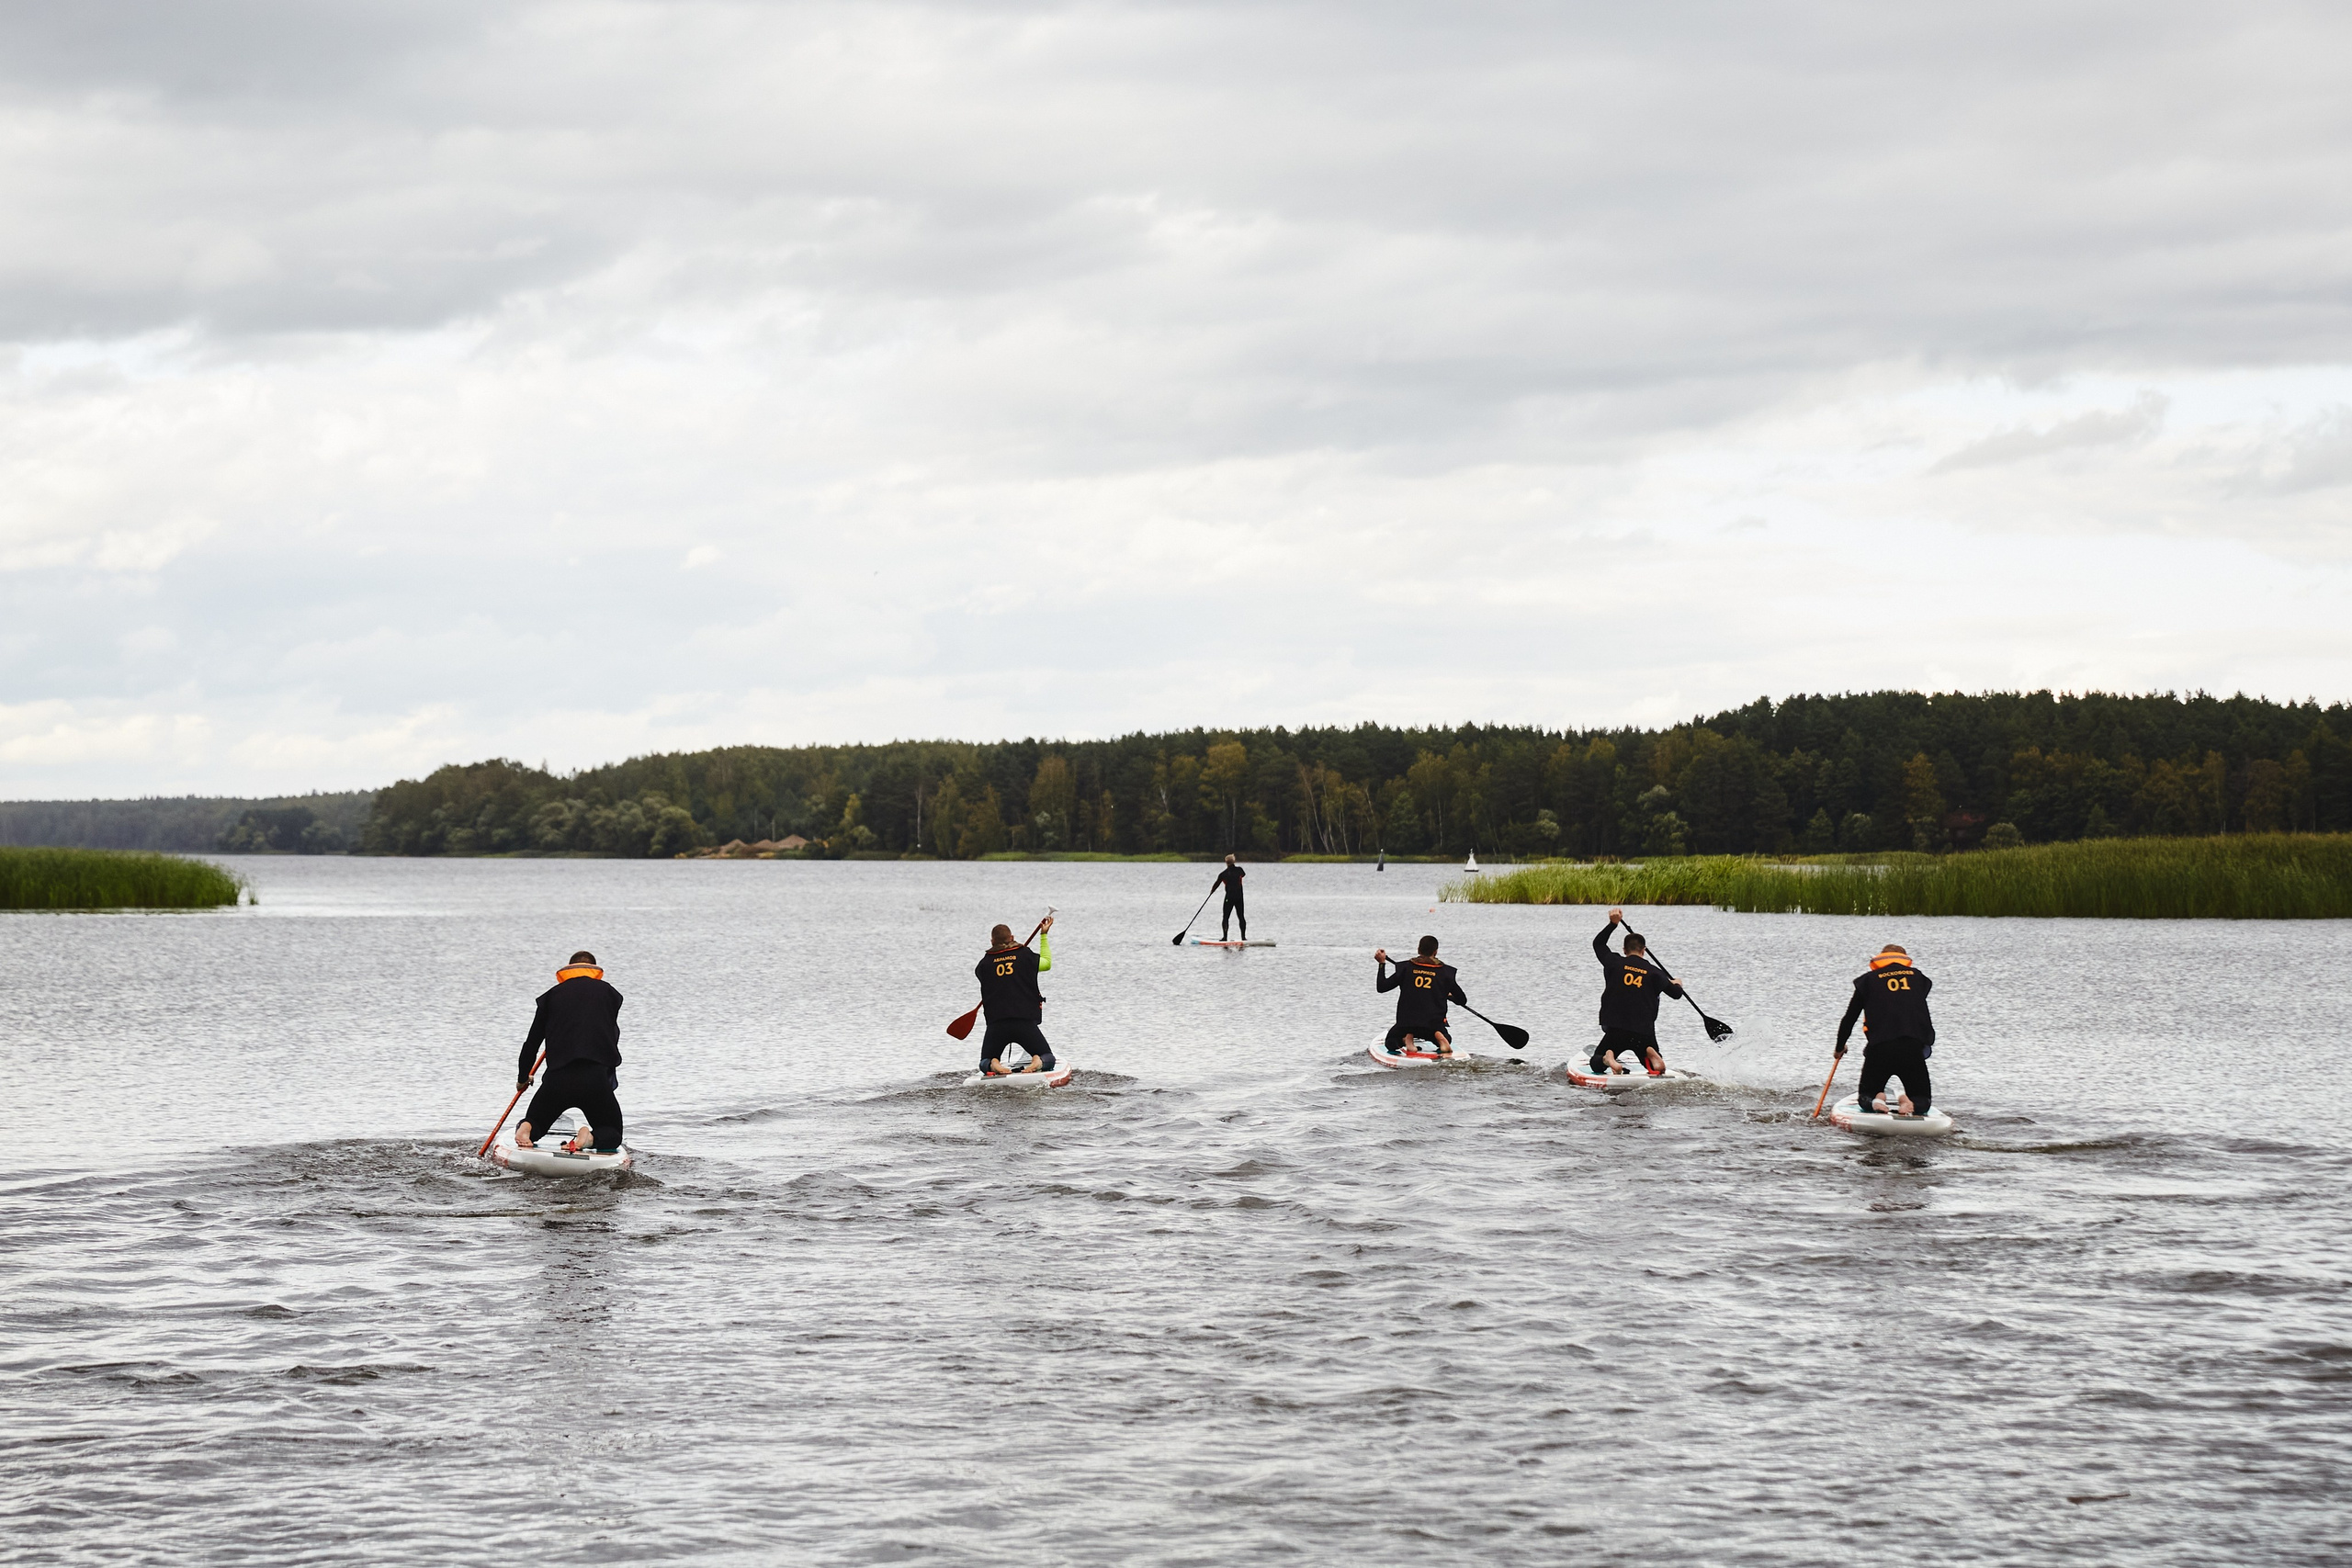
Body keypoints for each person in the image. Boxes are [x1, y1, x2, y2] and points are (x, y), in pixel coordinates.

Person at [514, 950, 626, 1152]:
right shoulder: (610, 994)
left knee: (537, 1121)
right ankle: (589, 1138)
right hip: (595, 1080)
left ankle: (526, 1129)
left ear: (568, 970)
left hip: (558, 1079)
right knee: (611, 1132)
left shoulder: (551, 997)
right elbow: (610, 1035)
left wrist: (523, 1077)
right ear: (595, 970)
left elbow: (531, 1043)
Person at [1836, 943, 1935, 1115]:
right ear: (1904, 960)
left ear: (1881, 958)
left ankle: (1877, 1100)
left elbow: (1849, 1018)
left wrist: (1839, 1047)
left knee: (1866, 1096)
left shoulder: (1867, 980)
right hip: (1912, 1047)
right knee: (1923, 1099)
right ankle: (1909, 1102)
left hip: (1880, 1048)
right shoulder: (1918, 978)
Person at [1590, 908, 1682, 1075]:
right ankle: (1651, 1054)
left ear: (1624, 950)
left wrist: (1613, 924)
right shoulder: (1655, 973)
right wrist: (1676, 984)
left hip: (1615, 1029)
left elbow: (1598, 944)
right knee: (1652, 1066)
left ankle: (1608, 1058)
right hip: (1643, 1031)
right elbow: (1676, 995)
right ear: (1643, 951)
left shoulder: (1613, 962)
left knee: (1596, 1061)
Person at [976, 915, 1057, 1076]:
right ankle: (1038, 1061)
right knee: (1049, 1058)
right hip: (1024, 1023)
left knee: (983, 1061)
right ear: (1012, 937)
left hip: (996, 1025)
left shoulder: (983, 965)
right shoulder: (1025, 956)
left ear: (992, 942)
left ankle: (993, 1064)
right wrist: (1043, 935)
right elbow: (1046, 963)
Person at [1374, 935, 1466, 1056]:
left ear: (1418, 950)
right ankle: (1440, 1039)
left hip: (1407, 1023)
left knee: (1390, 1042)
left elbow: (1382, 987)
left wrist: (1382, 963)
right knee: (1447, 1037)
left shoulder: (1405, 968)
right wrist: (1448, 995)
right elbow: (1462, 1000)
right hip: (1433, 1024)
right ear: (1436, 952)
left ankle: (1407, 1039)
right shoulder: (1445, 973)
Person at [1213, 853, 1248, 940]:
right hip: (1239, 897)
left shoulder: (1223, 874)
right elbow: (1243, 875)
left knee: (1226, 917)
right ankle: (1243, 937)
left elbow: (1217, 884)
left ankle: (1225, 937)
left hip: (1229, 897)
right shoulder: (1240, 870)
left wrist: (1212, 891)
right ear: (1234, 861)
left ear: (1226, 862)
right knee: (1241, 916)